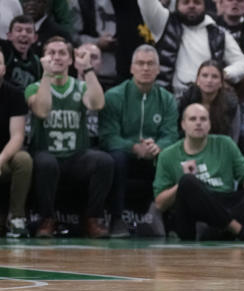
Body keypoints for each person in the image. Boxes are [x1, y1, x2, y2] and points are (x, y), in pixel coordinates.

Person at [153, 103, 244, 241]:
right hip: (193, 213)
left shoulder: (225, 143)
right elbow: (160, 204)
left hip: (225, 201)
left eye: (203, 119)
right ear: (183, 125)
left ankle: (215, 230)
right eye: (193, 119)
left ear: (209, 124)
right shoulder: (167, 155)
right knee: (187, 182)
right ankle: (241, 231)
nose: (198, 123)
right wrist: (181, 185)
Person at [28, 37, 112, 238]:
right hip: (46, 154)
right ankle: (47, 219)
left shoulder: (80, 87)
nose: (56, 57)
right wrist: (47, 75)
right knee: (47, 163)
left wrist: (88, 69)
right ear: (43, 58)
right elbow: (42, 110)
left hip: (75, 157)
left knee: (104, 161)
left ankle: (92, 219)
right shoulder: (34, 87)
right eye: (51, 53)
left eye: (62, 53)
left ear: (70, 60)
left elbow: (97, 104)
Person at [138, 0, 244, 97]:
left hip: (206, 99)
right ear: (176, 6)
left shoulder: (217, 32)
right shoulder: (164, 23)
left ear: (205, 6)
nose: (191, 6)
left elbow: (242, 64)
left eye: (197, 2)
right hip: (169, 99)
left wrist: (221, 74)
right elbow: (146, 1)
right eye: (186, 2)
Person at [100, 44, 178, 238]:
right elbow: (108, 137)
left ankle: (163, 217)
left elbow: (171, 135)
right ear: (131, 68)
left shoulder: (167, 99)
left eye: (151, 64)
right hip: (125, 155)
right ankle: (116, 218)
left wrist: (158, 147)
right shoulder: (114, 96)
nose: (145, 68)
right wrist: (134, 147)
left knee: (169, 158)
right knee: (116, 158)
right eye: (141, 63)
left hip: (153, 155)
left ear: (158, 69)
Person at [0, 47, 32, 238]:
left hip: (5, 158)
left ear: (4, 69)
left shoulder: (14, 94)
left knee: (24, 160)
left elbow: (18, 136)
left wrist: (1, 158)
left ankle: (16, 218)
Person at [178, 62, 243, 143]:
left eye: (215, 77)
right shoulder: (186, 100)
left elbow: (233, 138)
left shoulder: (230, 104)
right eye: (205, 76)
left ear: (221, 83)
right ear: (197, 80)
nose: (209, 80)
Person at [0, 15, 42, 90]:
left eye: (29, 31)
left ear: (35, 38)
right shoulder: (4, 50)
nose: (24, 34)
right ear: (9, 35)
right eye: (19, 30)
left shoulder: (37, 62)